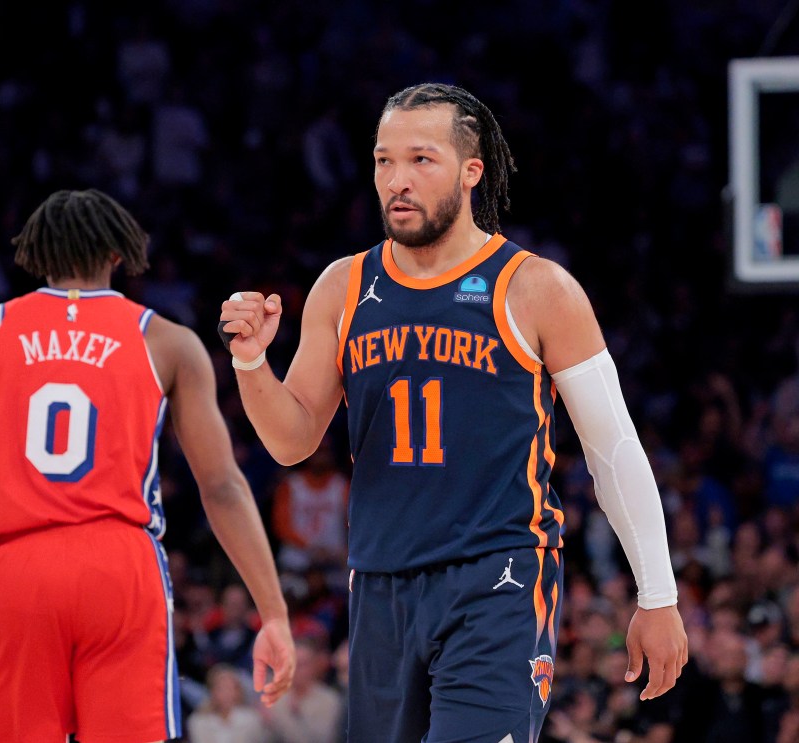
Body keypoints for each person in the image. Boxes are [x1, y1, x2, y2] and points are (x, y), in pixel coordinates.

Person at [219, 83, 688, 742]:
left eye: (421, 160)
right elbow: (292, 440)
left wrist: (657, 594)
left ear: (473, 171)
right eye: (384, 161)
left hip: (496, 579)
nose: (397, 180)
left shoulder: (536, 288)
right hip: (380, 585)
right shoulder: (344, 286)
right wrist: (250, 364)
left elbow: (613, 451)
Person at [0, 188, 295, 741]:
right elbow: (223, 487)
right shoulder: (167, 340)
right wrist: (273, 612)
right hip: (120, 563)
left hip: (18, 567)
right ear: (118, 255)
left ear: (36, 255)